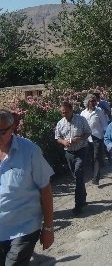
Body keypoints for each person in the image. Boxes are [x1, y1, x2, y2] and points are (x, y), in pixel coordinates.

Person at [0, 109, 54, 264]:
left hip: (23, 228)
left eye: (2, 132)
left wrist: (48, 228)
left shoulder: (29, 150)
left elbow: (45, 188)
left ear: (12, 128)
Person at [55, 100, 91, 215]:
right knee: (77, 177)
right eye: (62, 113)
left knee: (78, 173)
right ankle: (83, 196)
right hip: (69, 153)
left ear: (71, 110)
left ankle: (78, 205)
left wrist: (80, 139)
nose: (64, 115)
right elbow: (57, 137)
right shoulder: (60, 123)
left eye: (66, 112)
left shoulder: (81, 119)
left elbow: (88, 132)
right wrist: (63, 142)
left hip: (81, 150)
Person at [80, 94, 108, 186]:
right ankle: (95, 174)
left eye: (94, 101)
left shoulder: (99, 111)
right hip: (87, 139)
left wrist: (106, 135)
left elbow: (104, 124)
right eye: (91, 101)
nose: (93, 103)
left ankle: (96, 177)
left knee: (96, 157)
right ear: (87, 102)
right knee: (91, 158)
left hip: (97, 137)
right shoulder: (83, 113)